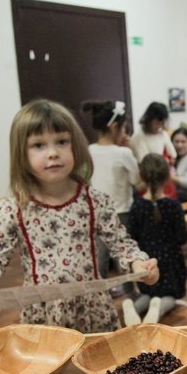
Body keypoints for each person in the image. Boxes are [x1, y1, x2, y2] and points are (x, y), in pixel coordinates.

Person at [0, 99, 159, 333]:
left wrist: (141, 266)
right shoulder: (14, 209)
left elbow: (123, 246)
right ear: (21, 154)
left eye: (62, 141)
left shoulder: (96, 201)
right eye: (39, 145)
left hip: (93, 310)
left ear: (76, 146)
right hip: (43, 315)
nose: (53, 153)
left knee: (96, 369)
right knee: (52, 373)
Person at [124, 153, 187, 324]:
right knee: (170, 296)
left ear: (142, 176)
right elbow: (183, 237)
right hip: (170, 262)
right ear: (167, 177)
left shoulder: (137, 205)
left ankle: (134, 308)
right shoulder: (173, 206)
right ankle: (158, 308)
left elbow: (132, 235)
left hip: (147, 262)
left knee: (147, 292)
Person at [81, 99, 140, 279]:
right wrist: (131, 150)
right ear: (115, 127)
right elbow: (137, 180)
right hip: (121, 211)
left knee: (100, 256)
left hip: (96, 211)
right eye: (124, 128)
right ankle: (130, 291)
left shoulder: (89, 150)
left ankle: (101, 292)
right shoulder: (123, 153)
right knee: (124, 254)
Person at [131, 102, 177, 199]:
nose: (159, 127)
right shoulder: (138, 137)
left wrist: (170, 160)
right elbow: (144, 161)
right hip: (148, 179)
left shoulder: (162, 134)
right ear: (149, 120)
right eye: (156, 123)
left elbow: (173, 155)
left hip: (164, 178)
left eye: (162, 123)